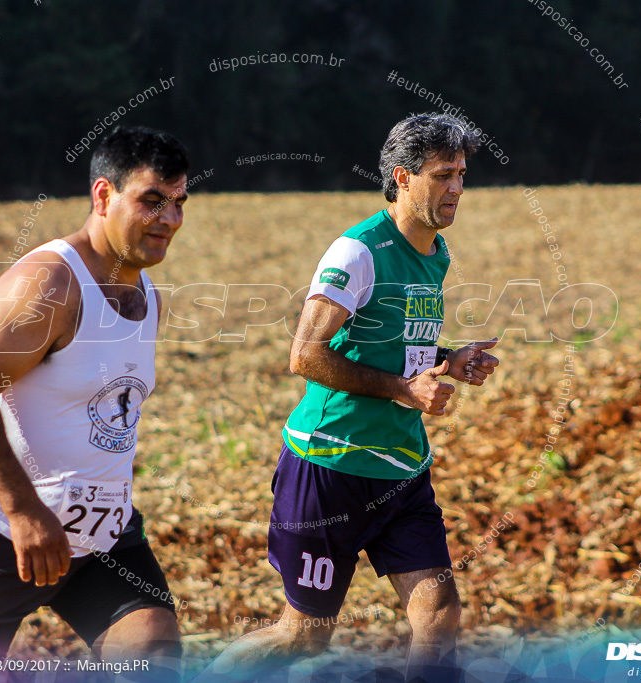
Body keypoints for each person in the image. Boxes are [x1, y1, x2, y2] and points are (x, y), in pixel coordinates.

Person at [202, 113, 500, 681]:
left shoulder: (435, 252)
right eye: (442, 175)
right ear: (403, 178)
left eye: (462, 174)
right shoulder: (358, 251)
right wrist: (402, 390)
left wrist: (448, 360)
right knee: (302, 638)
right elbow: (305, 355)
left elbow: (396, 341)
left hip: (403, 469)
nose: (458, 188)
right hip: (330, 468)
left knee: (439, 616)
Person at [0, 126, 190, 681]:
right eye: (152, 201)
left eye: (179, 203)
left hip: (103, 539)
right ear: (102, 196)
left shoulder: (148, 297)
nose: (169, 219)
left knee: (153, 654)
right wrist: (24, 512)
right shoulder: (50, 283)